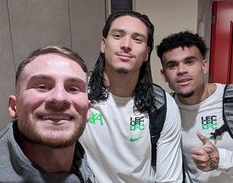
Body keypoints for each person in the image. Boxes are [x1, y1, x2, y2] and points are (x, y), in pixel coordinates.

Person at [79, 11, 183, 183]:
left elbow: (169, 179)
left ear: (146, 54)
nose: (126, 45)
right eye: (118, 35)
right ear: (103, 44)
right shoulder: (78, 93)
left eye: (137, 39)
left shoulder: (162, 105)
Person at [0, 46, 96, 183]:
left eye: (73, 89)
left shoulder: (85, 171)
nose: (60, 98)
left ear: (87, 111)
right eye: (42, 86)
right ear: (14, 106)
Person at [157, 31, 233, 182]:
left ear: (204, 65)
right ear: (164, 75)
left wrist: (222, 159)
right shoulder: (165, 110)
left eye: (190, 61)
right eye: (172, 65)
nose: (181, 71)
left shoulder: (230, 99)